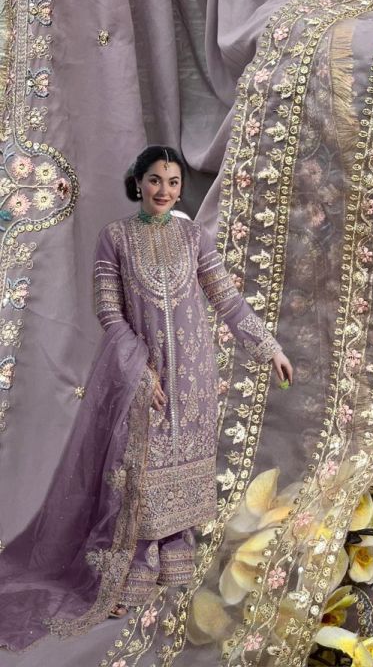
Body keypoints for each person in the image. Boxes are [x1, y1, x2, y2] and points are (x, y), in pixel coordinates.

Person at [0, 145, 292, 649]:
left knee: (185, 461)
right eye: (155, 180)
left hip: (195, 378)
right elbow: (109, 313)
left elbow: (226, 299)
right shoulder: (114, 237)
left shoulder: (193, 237)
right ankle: (133, 568)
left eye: (174, 182)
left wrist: (270, 348)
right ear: (137, 182)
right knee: (142, 472)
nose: (164, 190)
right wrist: (138, 370)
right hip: (144, 376)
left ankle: (173, 559)